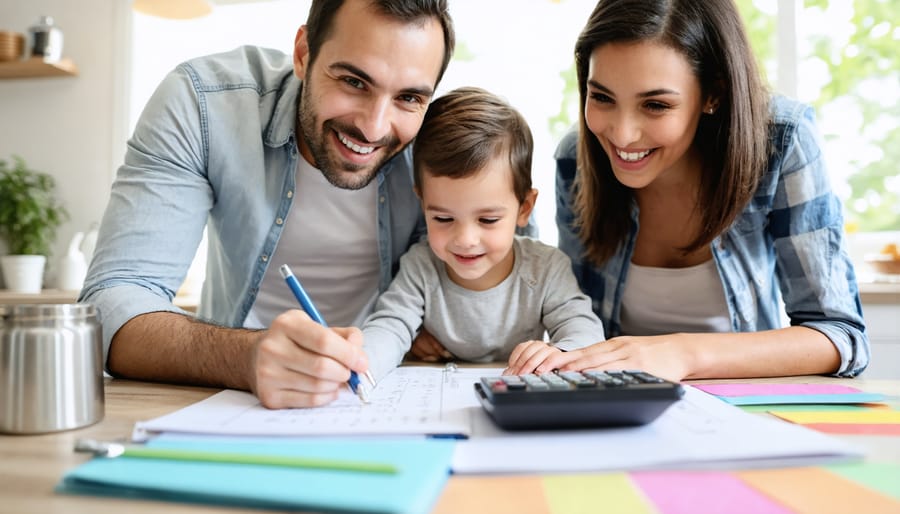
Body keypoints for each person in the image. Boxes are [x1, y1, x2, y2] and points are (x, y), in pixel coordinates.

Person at [79, 0, 455, 408]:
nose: (374, 127)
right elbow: (110, 304)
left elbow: (520, 281)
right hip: (231, 399)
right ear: (303, 53)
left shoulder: (443, 144)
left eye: (408, 99)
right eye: (353, 82)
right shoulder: (204, 103)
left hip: (383, 396)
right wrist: (246, 357)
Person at [532, 0, 869, 380]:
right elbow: (577, 323)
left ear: (713, 95)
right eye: (602, 98)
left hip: (744, 409)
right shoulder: (577, 160)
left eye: (656, 105)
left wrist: (683, 354)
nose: (622, 134)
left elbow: (840, 336)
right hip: (619, 408)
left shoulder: (781, 142)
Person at [361, 87, 605, 381]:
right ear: (422, 202)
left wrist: (563, 353)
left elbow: (583, 329)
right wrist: (363, 363)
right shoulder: (421, 266)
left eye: (488, 220)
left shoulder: (546, 267)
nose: (465, 239)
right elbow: (390, 326)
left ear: (524, 208)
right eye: (443, 218)